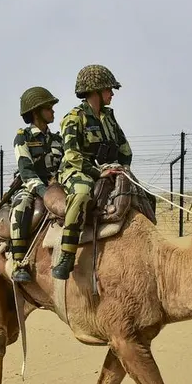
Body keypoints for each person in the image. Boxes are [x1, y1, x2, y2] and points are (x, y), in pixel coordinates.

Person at [51, 64, 132, 280]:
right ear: (94, 91)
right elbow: (71, 155)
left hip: (108, 169)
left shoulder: (109, 118)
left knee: (138, 194)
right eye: (108, 89)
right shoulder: (74, 117)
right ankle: (67, 255)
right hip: (77, 170)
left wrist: (122, 168)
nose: (112, 94)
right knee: (81, 194)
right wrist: (97, 173)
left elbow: (125, 148)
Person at [9, 86, 64, 283]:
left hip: (58, 187)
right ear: (36, 111)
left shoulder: (58, 139)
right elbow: (26, 171)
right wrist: (43, 191)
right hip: (32, 188)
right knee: (21, 207)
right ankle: (18, 262)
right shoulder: (23, 137)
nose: (53, 111)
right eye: (49, 107)